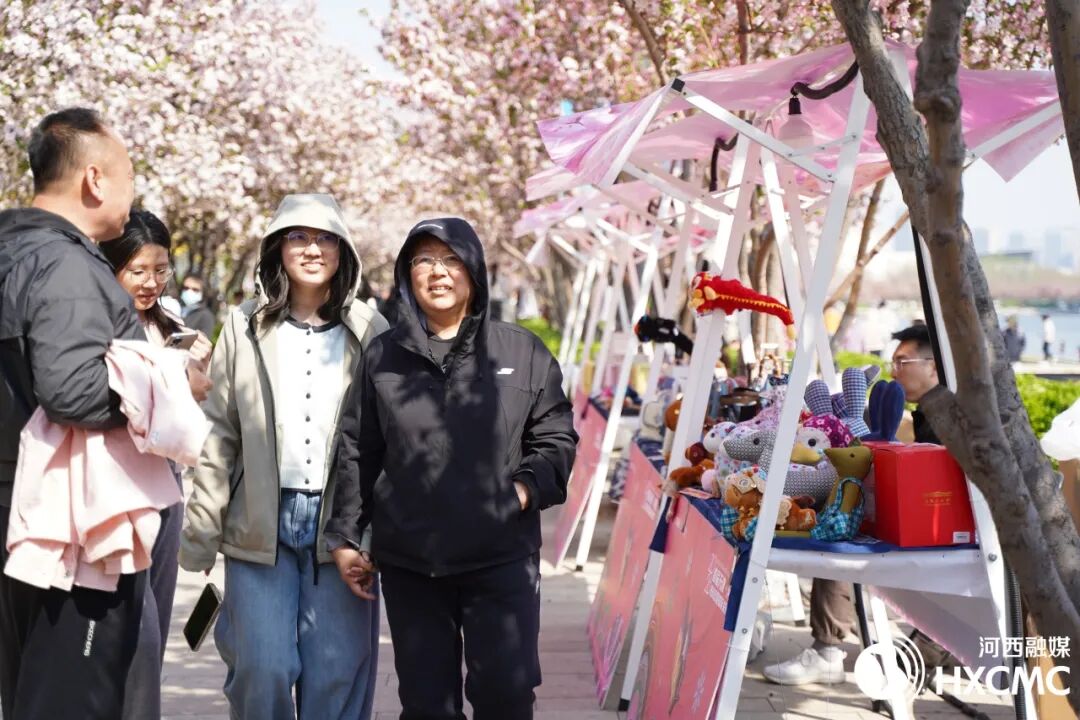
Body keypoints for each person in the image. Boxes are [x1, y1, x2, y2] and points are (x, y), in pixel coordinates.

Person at [326, 217, 579, 720]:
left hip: (501, 556)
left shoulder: (521, 350)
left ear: (474, 271)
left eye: (451, 260)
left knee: (506, 696)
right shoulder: (384, 356)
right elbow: (358, 448)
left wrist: (521, 492)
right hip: (412, 563)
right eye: (424, 260)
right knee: (427, 707)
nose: (438, 272)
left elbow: (555, 438)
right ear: (407, 273)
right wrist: (346, 536)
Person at [180, 193, 388, 720]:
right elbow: (219, 433)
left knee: (336, 673)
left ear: (343, 251)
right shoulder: (243, 326)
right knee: (261, 667)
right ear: (277, 248)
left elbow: (386, 442)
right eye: (298, 237)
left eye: (324, 239)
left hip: (341, 527)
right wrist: (201, 531)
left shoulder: (371, 330)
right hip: (259, 525)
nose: (312, 249)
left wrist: (369, 535)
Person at [0, 108, 148, 718]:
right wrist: (162, 387)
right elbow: (72, 391)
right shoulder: (65, 265)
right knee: (71, 701)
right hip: (66, 528)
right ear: (94, 179)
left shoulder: (13, 248)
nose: (132, 194)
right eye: (129, 178)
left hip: (21, 509)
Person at [764, 324, 940, 685]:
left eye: (903, 362)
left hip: (940, 533)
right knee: (839, 521)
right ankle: (833, 647)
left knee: (838, 538)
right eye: (892, 362)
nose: (894, 371)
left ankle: (833, 651)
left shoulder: (953, 421)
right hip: (910, 521)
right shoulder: (923, 415)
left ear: (934, 366)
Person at [99, 209, 213, 719]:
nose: (151, 282)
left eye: (160, 270)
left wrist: (196, 372)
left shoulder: (170, 323)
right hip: (117, 490)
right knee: (134, 634)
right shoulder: (97, 323)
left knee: (155, 629)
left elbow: (190, 409)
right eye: (138, 270)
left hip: (167, 487)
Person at [180, 272, 217, 337]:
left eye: (195, 290)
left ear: (203, 292)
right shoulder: (177, 308)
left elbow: (203, 340)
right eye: (186, 288)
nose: (189, 292)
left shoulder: (206, 316)